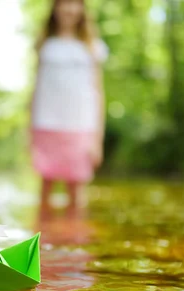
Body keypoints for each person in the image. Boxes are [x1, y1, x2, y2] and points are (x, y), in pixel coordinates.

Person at [29, 0, 108, 217]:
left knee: (77, 190)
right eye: (64, 3)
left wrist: (97, 138)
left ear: (82, 8)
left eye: (75, 3)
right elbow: (36, 89)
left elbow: (98, 93)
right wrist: (29, 133)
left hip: (81, 126)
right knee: (45, 187)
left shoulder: (91, 46)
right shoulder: (45, 44)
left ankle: (76, 244)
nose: (69, 8)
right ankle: (44, 244)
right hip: (46, 124)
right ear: (55, 7)